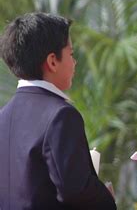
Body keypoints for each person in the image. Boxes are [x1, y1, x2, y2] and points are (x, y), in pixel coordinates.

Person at [0, 13, 116, 210]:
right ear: (52, 61)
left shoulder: (4, 115)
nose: (75, 62)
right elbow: (74, 190)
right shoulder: (60, 116)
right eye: (71, 54)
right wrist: (105, 197)